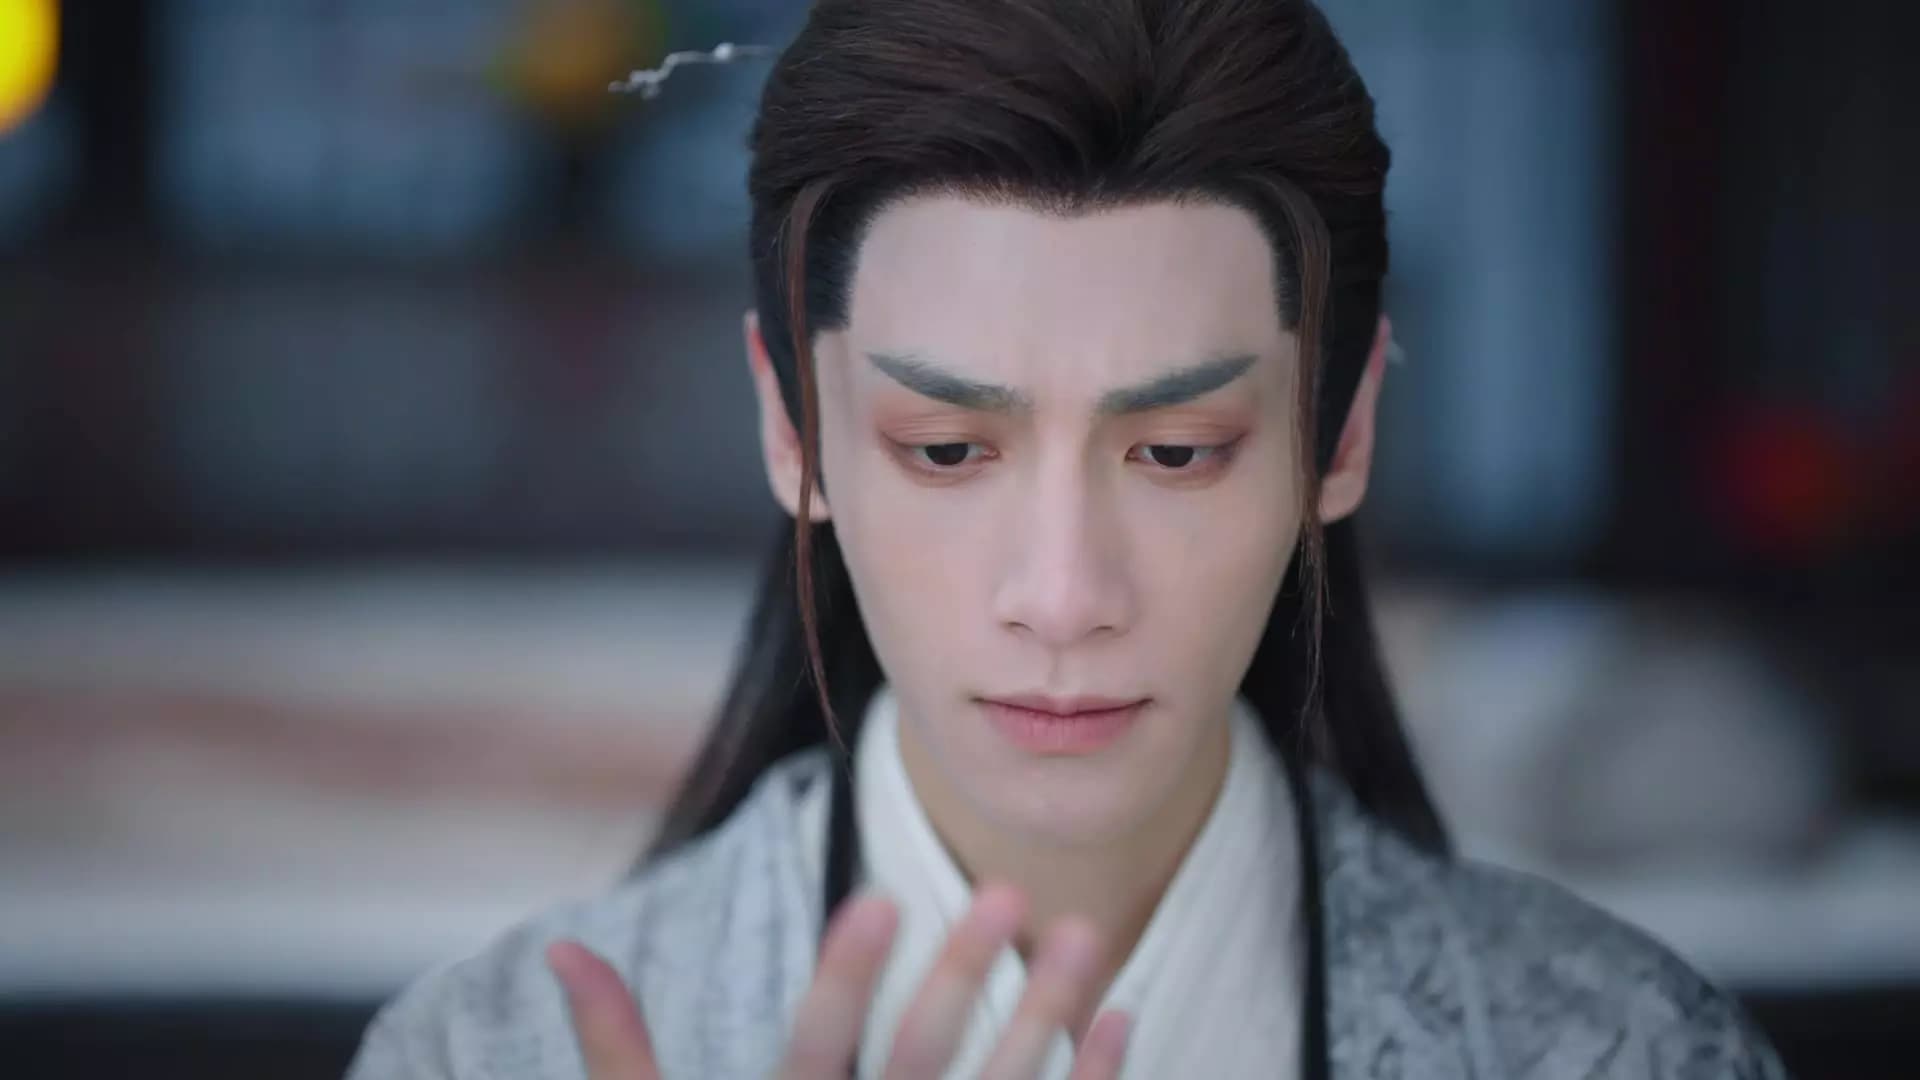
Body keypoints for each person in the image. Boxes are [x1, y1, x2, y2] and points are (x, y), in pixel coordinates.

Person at [347, 1, 1789, 1076]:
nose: (1062, 595)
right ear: (793, 429)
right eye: (946, 451)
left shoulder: (1626, 1050)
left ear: (1341, 437)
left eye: (1178, 451)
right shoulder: (490, 1054)